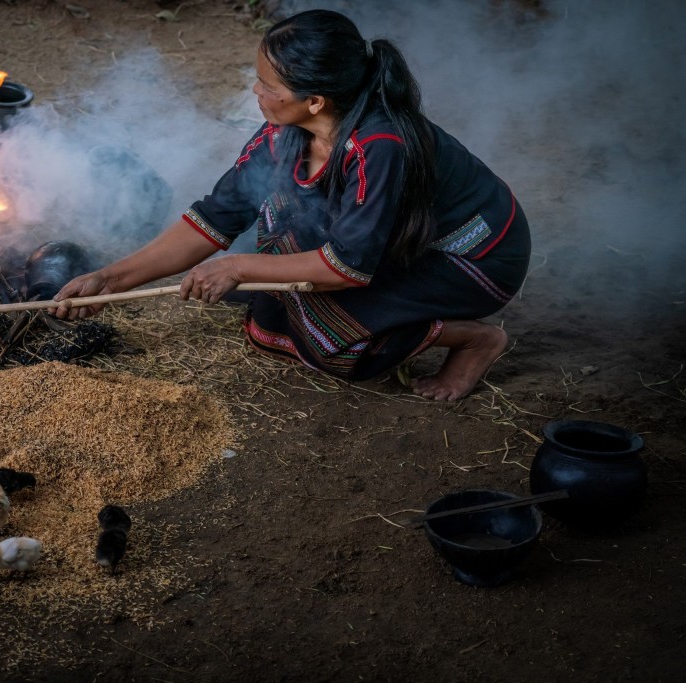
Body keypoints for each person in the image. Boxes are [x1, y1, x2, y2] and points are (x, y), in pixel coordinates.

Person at [52, 9, 531, 402]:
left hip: (470, 258)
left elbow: (347, 266)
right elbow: (217, 218)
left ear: (316, 101)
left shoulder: (379, 145)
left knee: (332, 336)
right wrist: (108, 280)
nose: (256, 92)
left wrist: (238, 266)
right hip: (389, 240)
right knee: (266, 270)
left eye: (268, 85)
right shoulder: (284, 133)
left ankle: (474, 338)